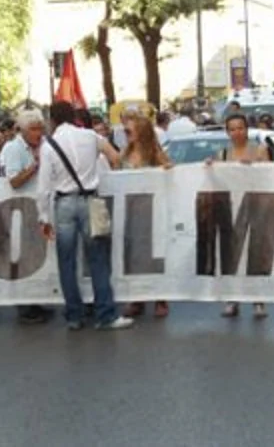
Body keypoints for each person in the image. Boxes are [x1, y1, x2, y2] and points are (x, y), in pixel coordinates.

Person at [37, 101, 132, 331]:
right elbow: (116, 158)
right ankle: (105, 315)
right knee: (97, 259)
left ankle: (74, 316)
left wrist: (43, 217)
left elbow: (43, 186)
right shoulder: (90, 136)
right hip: (90, 200)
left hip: (64, 204)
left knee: (67, 261)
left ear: (52, 120)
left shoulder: (48, 144)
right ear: (74, 117)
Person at [207, 114, 271, 319]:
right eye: (232, 129)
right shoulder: (223, 153)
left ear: (247, 129)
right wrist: (209, 167)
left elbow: (270, 174)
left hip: (254, 206)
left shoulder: (259, 150)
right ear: (227, 132)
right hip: (231, 209)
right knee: (231, 256)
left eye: (240, 128)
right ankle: (231, 299)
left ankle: (258, 301)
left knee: (254, 255)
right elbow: (215, 180)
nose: (237, 132)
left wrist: (253, 168)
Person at [0, 110, 53, 324]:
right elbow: (13, 181)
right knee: (25, 258)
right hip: (23, 208)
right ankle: (25, 307)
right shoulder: (13, 149)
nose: (38, 133)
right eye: (33, 129)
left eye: (40, 128)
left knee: (41, 256)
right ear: (22, 130)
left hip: (43, 207)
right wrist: (35, 166)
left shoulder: (46, 145)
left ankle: (37, 300)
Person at [119, 114, 173, 319]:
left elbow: (171, 172)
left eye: (129, 130)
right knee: (133, 255)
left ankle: (160, 297)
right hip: (130, 210)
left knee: (154, 254)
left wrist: (167, 170)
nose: (126, 134)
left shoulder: (154, 154)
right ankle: (137, 297)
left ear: (141, 132)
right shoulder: (125, 153)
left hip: (152, 209)